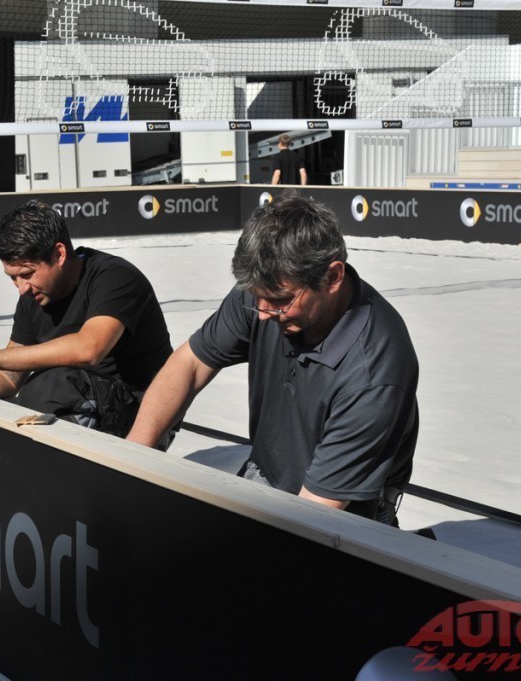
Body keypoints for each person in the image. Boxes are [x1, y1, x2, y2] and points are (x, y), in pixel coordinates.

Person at [126, 196, 419, 525]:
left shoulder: (374, 372)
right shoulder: (266, 290)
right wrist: (132, 459)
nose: (263, 313)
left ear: (332, 278)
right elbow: (190, 366)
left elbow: (313, 516)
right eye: (257, 297)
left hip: (341, 517)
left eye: (280, 300)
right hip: (267, 475)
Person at [0, 200, 173, 441]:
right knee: (21, 407)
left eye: (26, 274)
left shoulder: (114, 277)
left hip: (145, 416)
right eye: (12, 278)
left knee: (50, 386)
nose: (21, 288)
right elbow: (8, 377)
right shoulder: (33, 296)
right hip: (78, 400)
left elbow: (89, 349)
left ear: (59, 254)